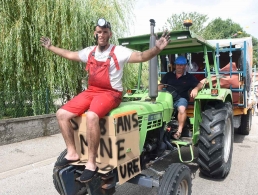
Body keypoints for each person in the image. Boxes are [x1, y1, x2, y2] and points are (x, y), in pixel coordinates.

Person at [40, 18, 170, 183]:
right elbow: (70, 54)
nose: (101, 35)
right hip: (92, 91)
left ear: (110, 34)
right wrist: (51, 47)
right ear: (96, 33)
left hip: (111, 93)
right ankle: (72, 152)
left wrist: (156, 48)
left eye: (105, 32)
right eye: (99, 32)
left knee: (92, 116)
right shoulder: (90, 51)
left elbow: (142, 56)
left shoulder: (119, 51)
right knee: (61, 114)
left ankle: (91, 164)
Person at [158, 55, 203, 140]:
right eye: (178, 64)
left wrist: (196, 89)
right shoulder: (169, 75)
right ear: (175, 65)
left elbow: (200, 84)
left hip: (181, 99)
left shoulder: (189, 77)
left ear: (185, 66)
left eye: (182, 65)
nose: (179, 67)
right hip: (168, 98)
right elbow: (161, 85)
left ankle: (179, 131)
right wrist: (158, 91)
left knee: (182, 109)